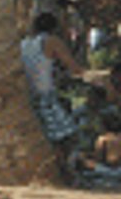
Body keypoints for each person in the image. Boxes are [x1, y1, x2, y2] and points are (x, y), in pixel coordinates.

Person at [20, 12, 83, 147]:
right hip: (46, 98)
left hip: (27, 97)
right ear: (55, 28)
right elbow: (75, 69)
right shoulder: (51, 41)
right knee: (68, 138)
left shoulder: (23, 44)